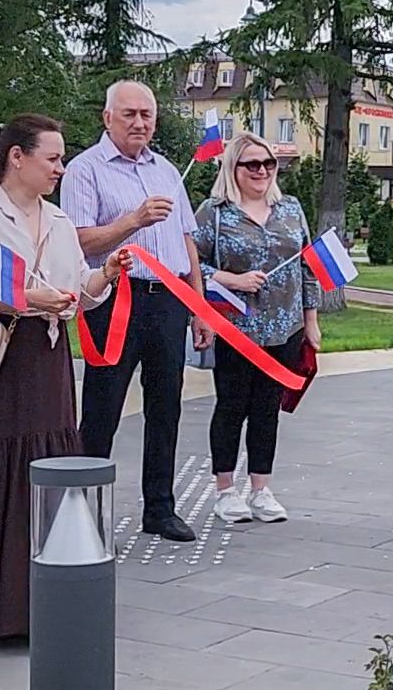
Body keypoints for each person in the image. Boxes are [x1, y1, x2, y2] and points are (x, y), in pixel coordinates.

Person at [0, 115, 129, 650]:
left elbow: (75, 292)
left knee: (45, 472)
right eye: (53, 158)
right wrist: (21, 299)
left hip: (46, 361)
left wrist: (105, 275)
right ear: (16, 158)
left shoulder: (60, 220)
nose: (60, 168)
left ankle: (39, 603)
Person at [60, 81, 208, 543]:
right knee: (103, 406)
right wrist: (133, 221)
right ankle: (81, 511)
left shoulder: (166, 170)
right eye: (129, 114)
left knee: (167, 406)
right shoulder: (85, 170)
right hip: (114, 298)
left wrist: (199, 306)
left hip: (168, 301)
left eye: (147, 114)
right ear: (107, 118)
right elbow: (78, 240)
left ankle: (160, 509)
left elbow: (187, 241)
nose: (140, 123)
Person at [193, 132, 321, 524]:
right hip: (235, 328)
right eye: (252, 164)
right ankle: (225, 489)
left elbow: (308, 265)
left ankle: (261, 488)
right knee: (232, 406)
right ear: (234, 168)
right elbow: (190, 266)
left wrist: (311, 320)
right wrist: (233, 280)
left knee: (268, 408)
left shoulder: (290, 208)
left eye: (269, 164)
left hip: (285, 326)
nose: (262, 171)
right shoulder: (215, 212)